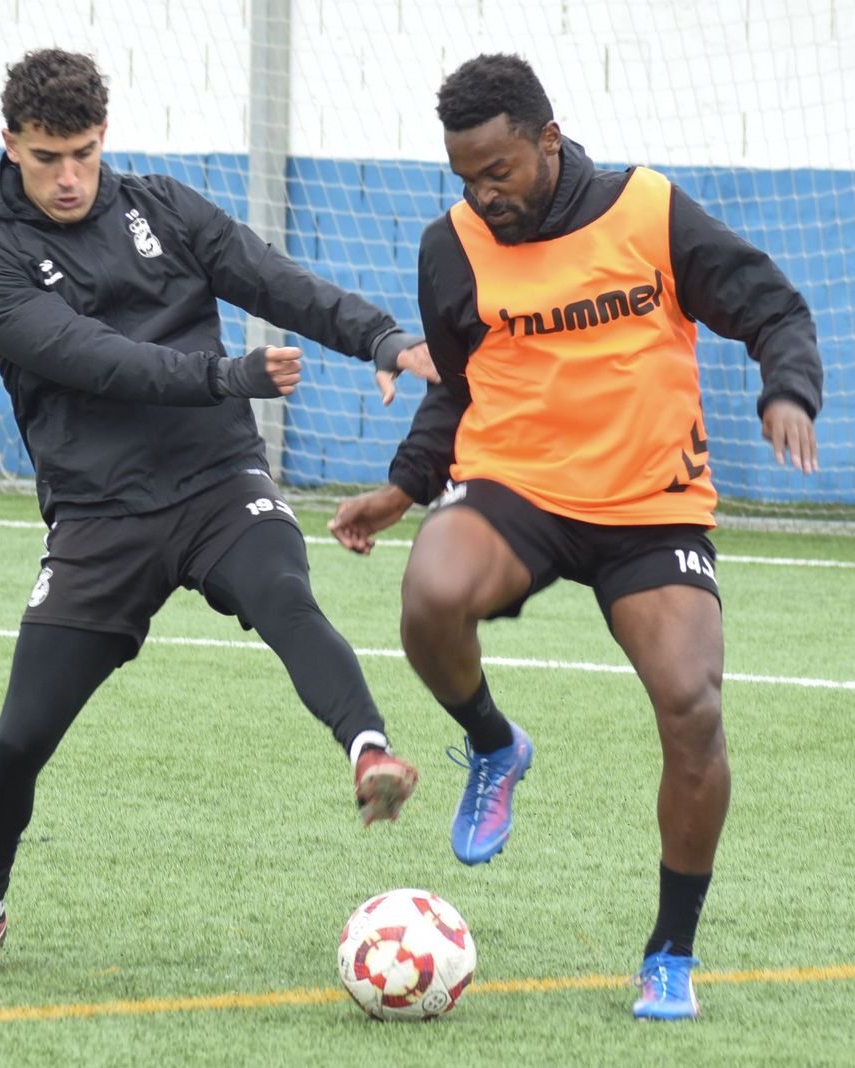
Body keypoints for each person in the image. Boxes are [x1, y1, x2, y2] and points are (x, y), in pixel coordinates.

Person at [0, 48, 438, 973]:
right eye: (46, 158)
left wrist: (381, 336)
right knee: (18, 740)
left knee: (285, 595)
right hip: (99, 518)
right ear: (10, 147)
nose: (69, 176)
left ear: (103, 138)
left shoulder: (161, 207)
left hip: (215, 482)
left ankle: (369, 753)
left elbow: (272, 279)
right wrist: (226, 375)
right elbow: (92, 358)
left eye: (82, 152)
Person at [329, 53, 823, 1021]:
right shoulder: (453, 245)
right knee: (429, 592)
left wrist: (786, 389)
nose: (483, 193)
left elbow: (773, 307)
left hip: (651, 504)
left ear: (546, 141)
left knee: (691, 708)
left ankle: (669, 954)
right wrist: (403, 489)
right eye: (464, 177)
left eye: (498, 170)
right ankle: (492, 745)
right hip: (516, 487)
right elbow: (458, 390)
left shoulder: (648, 211)